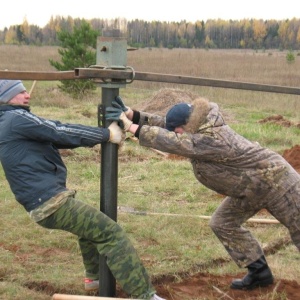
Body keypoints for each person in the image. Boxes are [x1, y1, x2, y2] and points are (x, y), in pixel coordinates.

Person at [106, 95, 300, 291]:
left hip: (277, 182)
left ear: (187, 125)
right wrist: (133, 115)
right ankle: (259, 273)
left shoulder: (212, 137)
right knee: (223, 223)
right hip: (251, 188)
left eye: (177, 130)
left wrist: (131, 127)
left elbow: (174, 141)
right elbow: (168, 126)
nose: (175, 133)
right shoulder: (196, 123)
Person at [0, 80, 165, 300]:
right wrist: (105, 135)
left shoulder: (7, 122)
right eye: (19, 93)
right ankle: (145, 295)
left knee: (89, 230)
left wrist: (99, 136)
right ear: (5, 98)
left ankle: (94, 279)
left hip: (40, 203)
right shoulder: (16, 118)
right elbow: (57, 130)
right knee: (112, 234)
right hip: (50, 202)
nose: (26, 95)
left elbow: (55, 137)